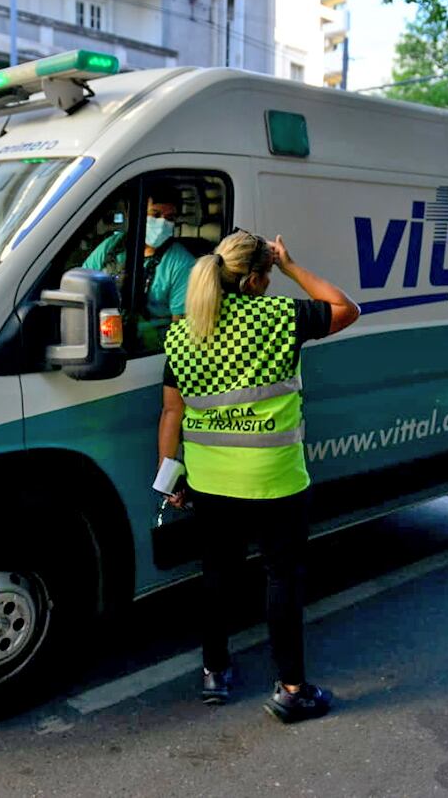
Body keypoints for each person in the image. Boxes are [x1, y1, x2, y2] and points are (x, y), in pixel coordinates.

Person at [158, 230, 359, 724]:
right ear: (253, 280)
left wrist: (168, 481)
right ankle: (292, 689)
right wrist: (292, 265)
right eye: (268, 276)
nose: (271, 283)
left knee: (216, 576)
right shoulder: (278, 317)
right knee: (281, 579)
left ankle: (214, 672)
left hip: (209, 481)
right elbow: (345, 307)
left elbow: (170, 413)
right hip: (275, 480)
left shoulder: (186, 330)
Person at [83, 185, 197, 348]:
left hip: (149, 352)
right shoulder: (112, 247)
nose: (162, 224)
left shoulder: (182, 263)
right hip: (103, 340)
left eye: (170, 218)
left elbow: (180, 333)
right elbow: (81, 287)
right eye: (155, 214)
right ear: (137, 214)